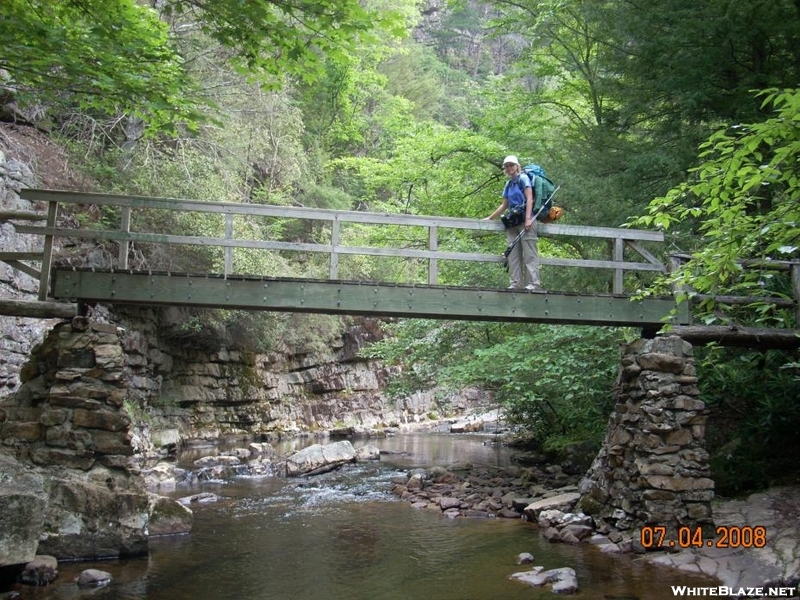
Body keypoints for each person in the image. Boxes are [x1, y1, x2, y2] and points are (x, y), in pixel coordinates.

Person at [485, 155, 542, 290]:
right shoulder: (509, 184)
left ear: (517, 166)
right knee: (513, 253)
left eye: (512, 165)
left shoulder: (523, 179)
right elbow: (504, 205)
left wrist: (528, 218)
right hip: (513, 221)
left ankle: (534, 283)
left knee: (529, 253)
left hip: (526, 220)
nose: (509, 168)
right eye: (507, 166)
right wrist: (490, 218)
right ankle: (515, 283)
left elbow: (530, 199)